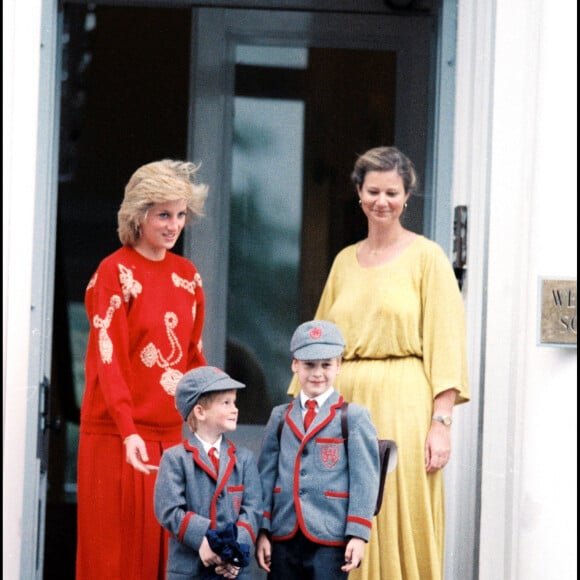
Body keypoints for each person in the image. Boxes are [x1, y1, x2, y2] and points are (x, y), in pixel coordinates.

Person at [288, 146, 470, 580]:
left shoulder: (428, 258)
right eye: (373, 191)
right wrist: (301, 411)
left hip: (405, 400)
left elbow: (446, 342)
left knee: (396, 510)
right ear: (359, 193)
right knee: (340, 513)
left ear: (407, 196)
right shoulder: (343, 262)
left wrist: (440, 424)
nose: (382, 201)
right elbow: (318, 339)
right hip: (344, 404)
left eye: (392, 192)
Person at [76, 159, 209, 580]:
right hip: (116, 435)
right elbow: (107, 358)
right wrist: (128, 428)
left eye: (181, 214)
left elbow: (192, 358)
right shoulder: (114, 271)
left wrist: (212, 410)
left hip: (167, 437)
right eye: (163, 214)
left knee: (164, 559)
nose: (174, 225)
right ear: (138, 215)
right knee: (113, 557)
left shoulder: (188, 277)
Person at [257, 320, 380, 580]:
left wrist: (358, 534)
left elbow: (365, 481)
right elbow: (265, 477)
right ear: (294, 365)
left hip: (331, 538)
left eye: (326, 365)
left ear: (339, 366)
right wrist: (263, 530)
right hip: (283, 533)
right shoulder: (279, 417)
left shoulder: (353, 417)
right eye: (309, 365)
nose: (317, 373)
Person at [154, 366, 263, 580]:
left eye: (234, 402)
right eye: (226, 403)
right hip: (189, 569)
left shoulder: (245, 459)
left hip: (234, 571)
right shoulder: (175, 459)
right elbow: (168, 509)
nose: (235, 409)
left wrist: (233, 553)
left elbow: (253, 510)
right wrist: (203, 540)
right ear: (200, 412)